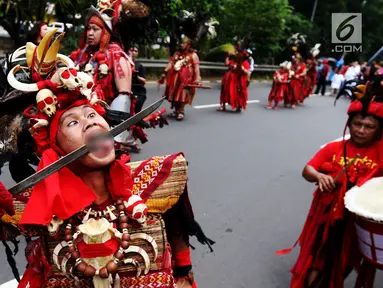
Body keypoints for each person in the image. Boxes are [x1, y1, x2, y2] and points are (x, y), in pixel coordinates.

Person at [1, 30, 214, 288]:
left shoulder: (155, 178)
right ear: (54, 147)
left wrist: (183, 273)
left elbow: (177, 234)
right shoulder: (36, 202)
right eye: (73, 122)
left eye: (92, 115)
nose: (89, 123)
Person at [278, 76, 383, 287]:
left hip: (361, 221)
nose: (361, 130)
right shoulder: (334, 147)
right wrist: (319, 176)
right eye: (357, 124)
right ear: (349, 124)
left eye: (369, 126)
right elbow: (307, 169)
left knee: (347, 262)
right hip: (328, 218)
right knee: (319, 258)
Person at [70, 4, 146, 152]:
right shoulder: (80, 54)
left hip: (103, 117)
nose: (90, 33)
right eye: (88, 29)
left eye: (95, 29)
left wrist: (115, 132)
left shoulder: (115, 54)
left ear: (105, 32)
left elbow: (124, 95)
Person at [161, 36, 201, 121]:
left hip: (186, 79)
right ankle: (176, 110)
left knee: (182, 94)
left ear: (188, 45)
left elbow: (196, 68)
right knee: (174, 93)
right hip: (175, 79)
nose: (181, 45)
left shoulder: (193, 55)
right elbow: (171, 63)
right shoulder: (177, 53)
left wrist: (197, 78)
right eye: (181, 43)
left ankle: (181, 111)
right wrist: (165, 72)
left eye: (183, 43)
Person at [129, 45, 147, 114]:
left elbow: (144, 81)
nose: (133, 53)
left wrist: (137, 77)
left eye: (135, 51)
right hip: (128, 89)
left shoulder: (139, 66)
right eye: (132, 50)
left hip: (139, 90)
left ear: (137, 53)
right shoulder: (124, 63)